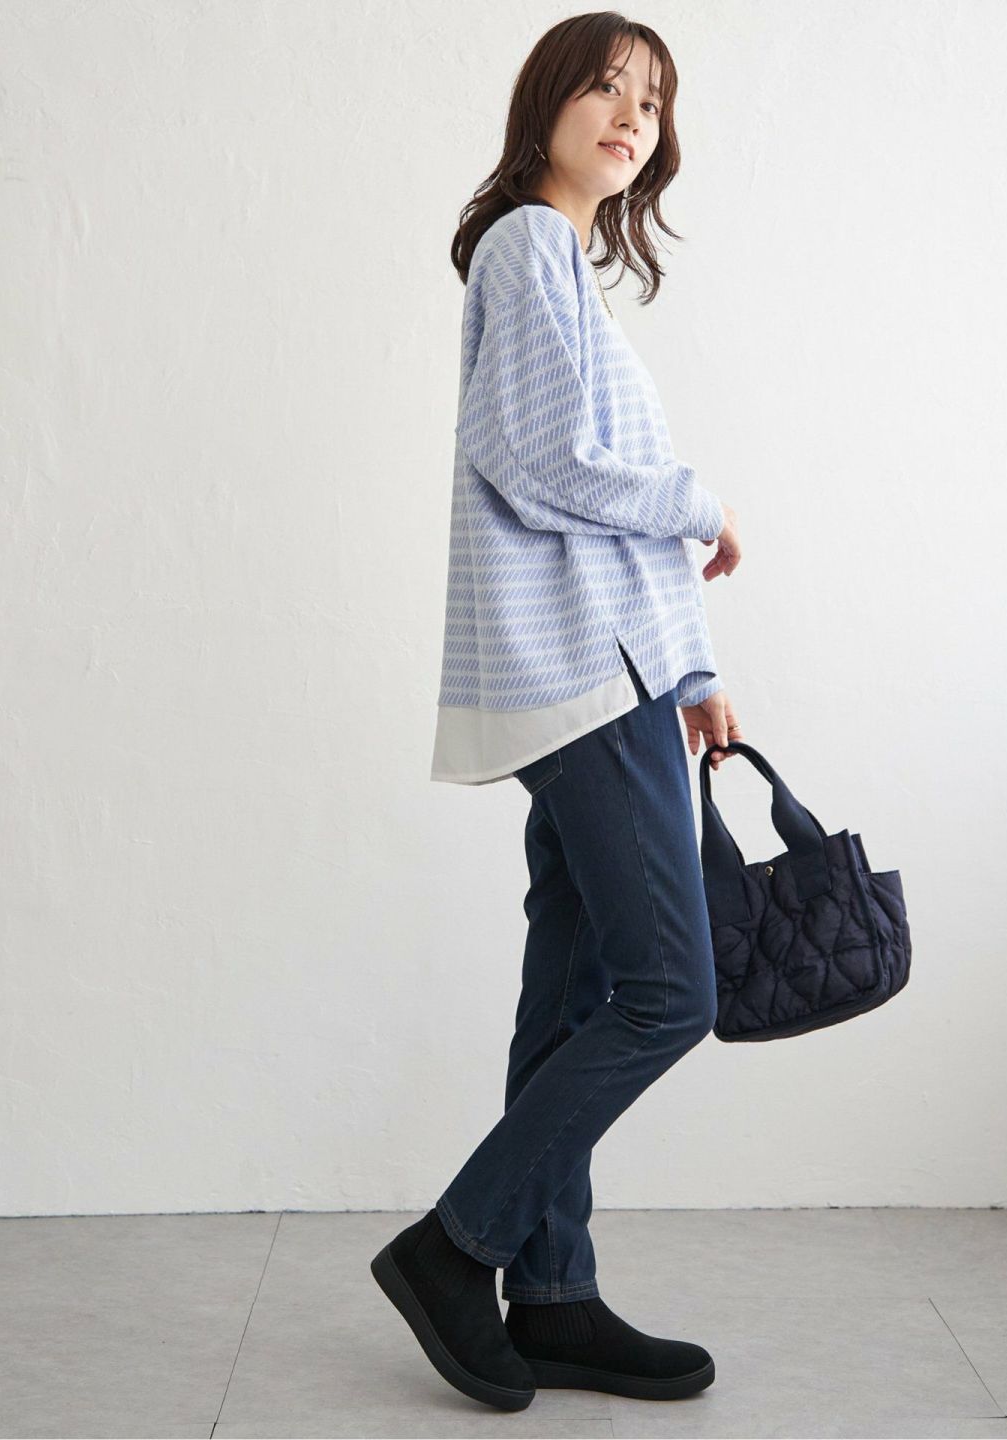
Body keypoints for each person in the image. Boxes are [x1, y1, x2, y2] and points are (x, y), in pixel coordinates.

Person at [371, 14, 745, 1413]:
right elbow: (540, 462)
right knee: (670, 993)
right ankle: (453, 1247)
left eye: (651, 99)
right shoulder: (530, 246)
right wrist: (699, 501)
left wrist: (694, 676)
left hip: (616, 673)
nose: (631, 114)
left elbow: (599, 516)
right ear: (548, 102)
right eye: (606, 85)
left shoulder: (564, 269)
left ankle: (554, 1294)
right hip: (582, 680)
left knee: (580, 990)